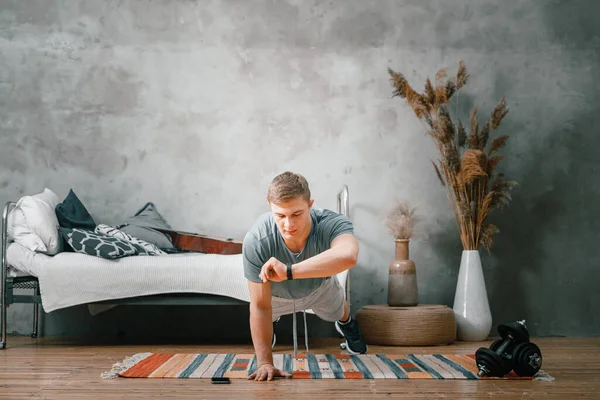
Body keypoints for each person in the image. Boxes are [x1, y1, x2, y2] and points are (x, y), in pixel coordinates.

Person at [242, 171, 367, 382]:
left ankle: (346, 324)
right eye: (280, 216)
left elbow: (349, 255)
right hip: (275, 298)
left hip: (320, 289)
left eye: (297, 214)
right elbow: (260, 306)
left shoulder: (330, 222)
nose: (288, 225)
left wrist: (289, 272)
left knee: (339, 310)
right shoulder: (257, 239)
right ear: (270, 209)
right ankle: (267, 337)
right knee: (264, 314)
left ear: (310, 204)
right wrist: (265, 363)